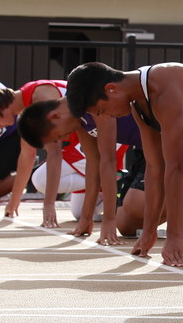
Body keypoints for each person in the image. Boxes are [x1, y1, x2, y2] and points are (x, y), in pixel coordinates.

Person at [65, 61, 183, 267]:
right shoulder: (138, 104)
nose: (106, 117)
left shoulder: (164, 86)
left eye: (101, 110)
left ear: (111, 89)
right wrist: (149, 232)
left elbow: (175, 167)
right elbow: (155, 166)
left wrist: (174, 236)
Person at [18, 99, 139, 245]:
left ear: (55, 117)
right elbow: (93, 162)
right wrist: (86, 218)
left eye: (58, 136)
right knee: (126, 224)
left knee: (138, 208)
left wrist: (109, 219)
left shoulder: (91, 101)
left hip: (160, 137)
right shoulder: (78, 117)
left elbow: (107, 160)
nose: (67, 138)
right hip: (144, 145)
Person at [0, 80, 72, 227]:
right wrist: (14, 201)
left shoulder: (41, 97)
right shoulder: (25, 109)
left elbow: (54, 153)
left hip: (100, 142)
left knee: (41, 179)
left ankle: (108, 181)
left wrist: (48, 204)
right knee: (79, 212)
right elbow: (27, 156)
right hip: (88, 145)